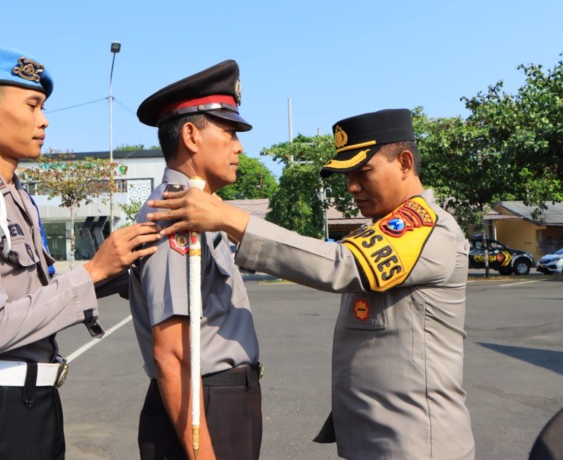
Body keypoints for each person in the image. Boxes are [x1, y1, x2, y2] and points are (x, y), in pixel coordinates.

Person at [146, 108, 476, 459]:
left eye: (363, 172)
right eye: (347, 175)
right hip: (381, 440)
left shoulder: (425, 230)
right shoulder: (383, 231)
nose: (351, 187)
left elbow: (339, 265)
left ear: (405, 163)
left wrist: (228, 218)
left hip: (417, 444)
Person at [0, 46, 160, 460]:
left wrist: (119, 270)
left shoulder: (15, 197)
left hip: (37, 402)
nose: (43, 120)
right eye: (32, 105)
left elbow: (35, 293)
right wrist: (94, 272)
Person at [130, 59, 262, 460]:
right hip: (203, 405)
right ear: (191, 134)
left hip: (221, 398)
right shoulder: (174, 214)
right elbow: (171, 354)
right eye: (229, 132)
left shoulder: (202, 209)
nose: (239, 146)